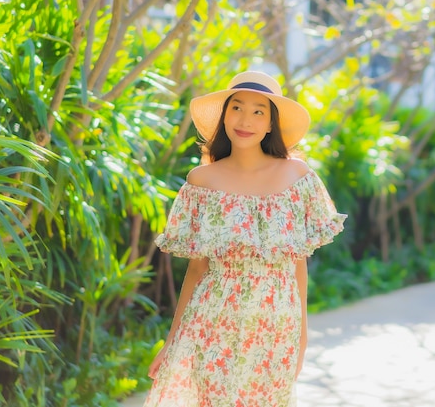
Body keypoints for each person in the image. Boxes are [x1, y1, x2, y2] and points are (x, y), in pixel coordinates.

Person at [144, 71, 347, 407]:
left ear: (271, 124)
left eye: (258, 112)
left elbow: (298, 265)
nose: (245, 120)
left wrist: (302, 335)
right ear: (224, 115)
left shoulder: (298, 177)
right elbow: (197, 271)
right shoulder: (202, 181)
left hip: (275, 326)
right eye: (236, 108)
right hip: (212, 322)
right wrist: (173, 340)